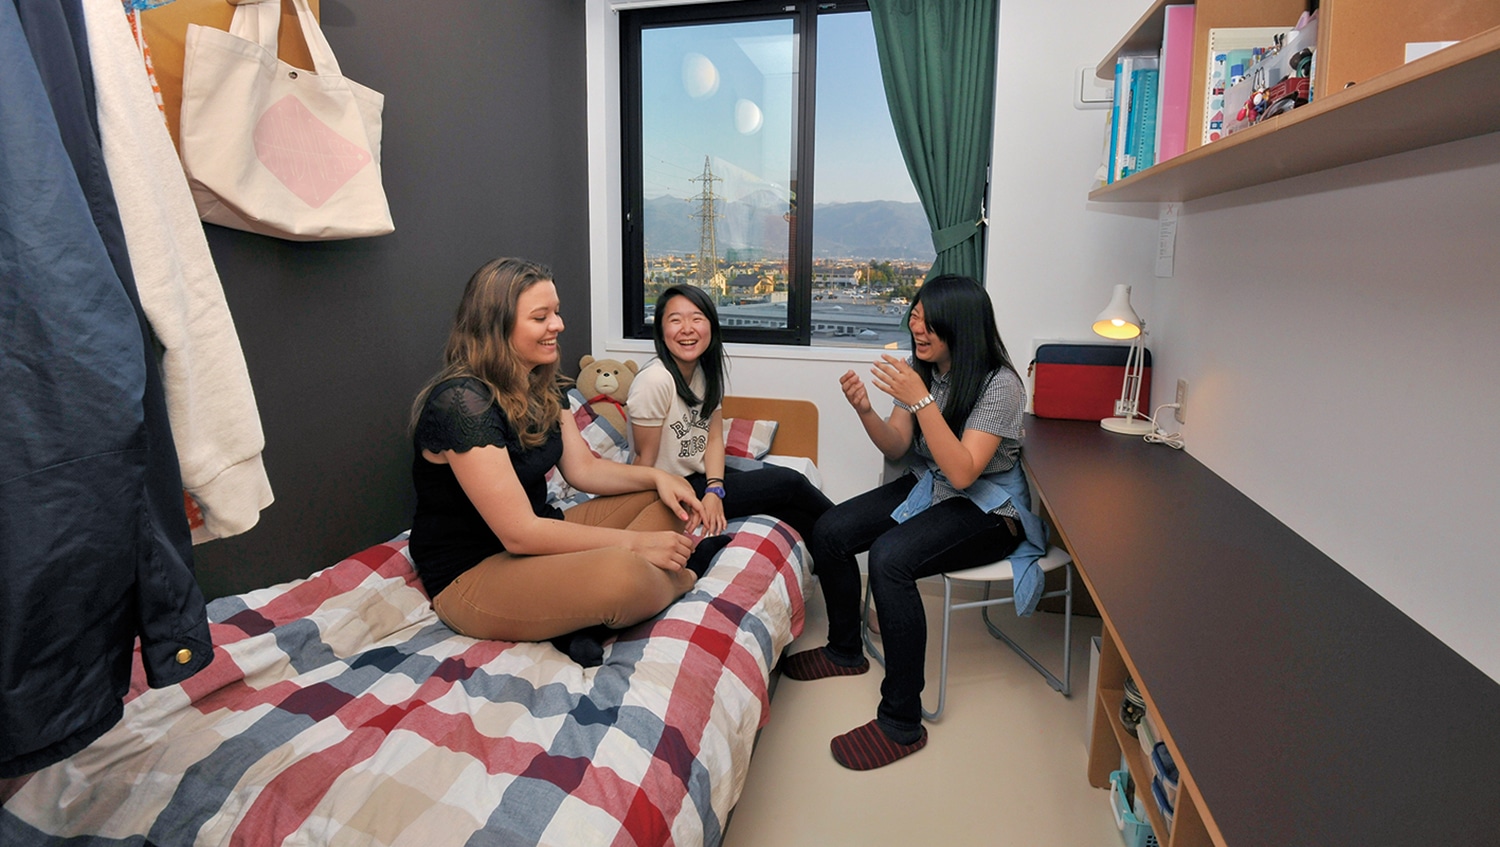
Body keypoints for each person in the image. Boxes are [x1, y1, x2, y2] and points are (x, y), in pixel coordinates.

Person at [781, 274, 1047, 770]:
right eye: (915, 318)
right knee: (831, 530)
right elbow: (898, 446)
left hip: (989, 509)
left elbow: (965, 470)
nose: (916, 329)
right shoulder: (920, 369)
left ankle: (901, 722)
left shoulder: (1001, 384)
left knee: (890, 559)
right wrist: (865, 411)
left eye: (928, 322)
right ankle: (844, 650)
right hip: (933, 487)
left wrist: (921, 400)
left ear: (960, 326)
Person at [408, 258, 721, 666]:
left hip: (543, 538)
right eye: (541, 317)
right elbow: (519, 534)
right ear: (495, 326)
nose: (558, 325)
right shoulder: (463, 403)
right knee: (621, 575)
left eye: (556, 312)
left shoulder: (542, 383)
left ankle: (579, 616)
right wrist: (635, 544)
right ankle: (686, 575)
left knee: (667, 498)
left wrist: (658, 478)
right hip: (473, 571)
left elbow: (584, 471)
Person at [627, 284, 833, 554]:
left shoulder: (704, 371)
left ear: (710, 326)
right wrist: (650, 518)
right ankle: (846, 525)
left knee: (806, 522)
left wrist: (715, 490)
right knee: (789, 482)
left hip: (701, 479)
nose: (687, 328)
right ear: (661, 331)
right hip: (671, 491)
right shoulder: (655, 380)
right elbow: (645, 466)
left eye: (697, 318)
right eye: (675, 320)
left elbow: (713, 438)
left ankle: (838, 544)